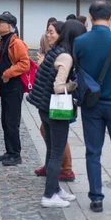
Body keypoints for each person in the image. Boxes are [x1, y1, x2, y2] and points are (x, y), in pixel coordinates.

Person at [74, 0, 111, 213]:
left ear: (90, 16)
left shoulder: (80, 42)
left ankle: (96, 199)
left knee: (93, 151)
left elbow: (78, 71)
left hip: (92, 104)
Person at [27, 20, 85, 208]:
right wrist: (75, 85)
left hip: (43, 106)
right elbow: (59, 87)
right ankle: (49, 195)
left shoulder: (55, 51)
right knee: (56, 153)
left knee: (52, 150)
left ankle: (56, 189)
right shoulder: (66, 56)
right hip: (56, 109)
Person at [34, 20, 76, 183]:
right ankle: (52, 171)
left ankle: (64, 171)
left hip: (58, 102)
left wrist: (74, 85)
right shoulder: (55, 52)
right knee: (47, 134)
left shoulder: (64, 55)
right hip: (47, 101)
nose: (48, 35)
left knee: (56, 142)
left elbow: (58, 85)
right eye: (47, 31)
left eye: (51, 32)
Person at [0, 12, 29, 166]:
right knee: (5, 121)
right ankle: (9, 151)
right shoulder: (4, 41)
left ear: (9, 26)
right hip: (6, 85)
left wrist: (7, 72)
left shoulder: (17, 43)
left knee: (12, 121)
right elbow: (6, 62)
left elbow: (24, 64)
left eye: (0, 22)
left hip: (14, 86)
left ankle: (15, 154)